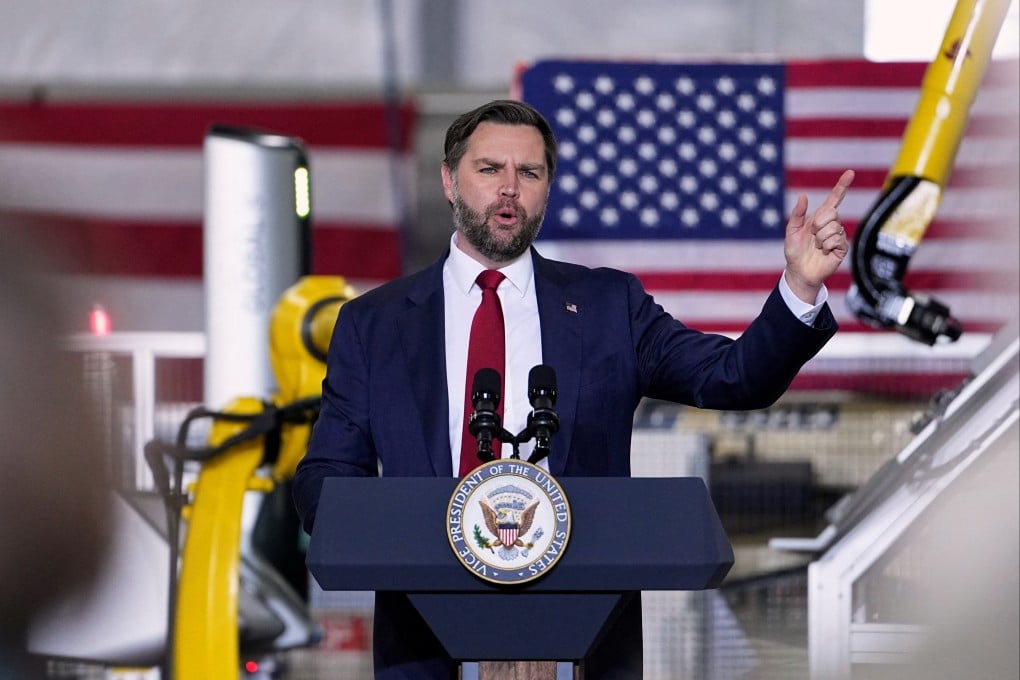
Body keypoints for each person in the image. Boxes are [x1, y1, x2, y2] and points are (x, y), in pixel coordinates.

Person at [293, 99, 854, 679]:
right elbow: (326, 471)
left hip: (584, 647)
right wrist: (374, 529)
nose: (509, 189)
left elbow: (734, 377)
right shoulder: (374, 322)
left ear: (547, 188)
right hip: (425, 643)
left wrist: (799, 285)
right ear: (448, 179)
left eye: (529, 173)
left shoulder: (610, 307)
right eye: (489, 170)